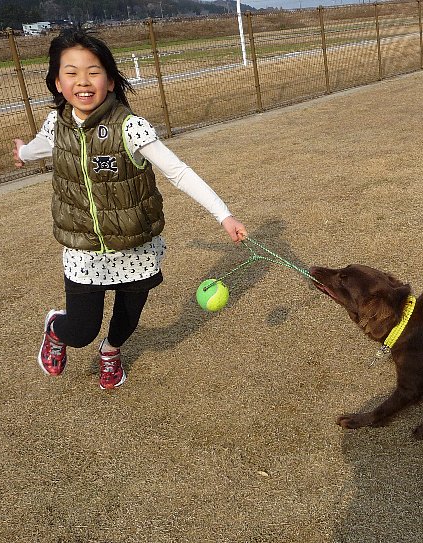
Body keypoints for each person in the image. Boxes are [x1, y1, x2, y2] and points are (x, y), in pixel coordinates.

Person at [13, 28, 247, 390]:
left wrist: (224, 214)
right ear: (58, 83)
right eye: (71, 72)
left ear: (109, 80)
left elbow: (178, 172)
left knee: (126, 320)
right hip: (84, 250)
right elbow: (35, 149)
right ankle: (56, 328)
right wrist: (22, 153)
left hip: (136, 246)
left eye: (93, 71)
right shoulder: (56, 125)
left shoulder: (130, 127)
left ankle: (111, 352)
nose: (83, 81)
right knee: (81, 331)